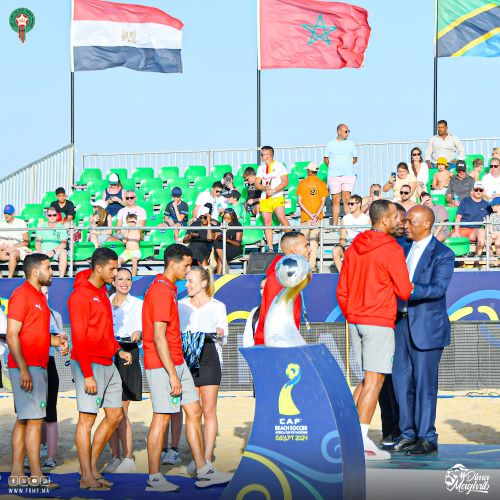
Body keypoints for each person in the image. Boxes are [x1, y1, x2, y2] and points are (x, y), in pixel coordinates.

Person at [142, 244, 231, 492]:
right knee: (161, 418)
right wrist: (172, 373)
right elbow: (159, 336)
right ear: (173, 264)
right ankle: (154, 477)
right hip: (163, 364)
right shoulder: (161, 291)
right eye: (186, 264)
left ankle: (204, 469)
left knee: (194, 410)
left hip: (177, 361)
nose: (188, 269)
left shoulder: (168, 289)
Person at [336, 200, 412, 460]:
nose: (399, 221)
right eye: (395, 216)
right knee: (375, 381)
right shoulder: (391, 248)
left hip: (355, 319)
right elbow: (404, 290)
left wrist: (352, 313)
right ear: (384, 220)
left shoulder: (355, 246)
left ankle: (351, 435)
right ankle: (359, 442)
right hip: (378, 320)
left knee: (366, 381)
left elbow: (342, 289)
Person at [386, 206, 455, 455]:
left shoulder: (443, 254)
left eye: (410, 222)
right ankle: (407, 434)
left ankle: (427, 437)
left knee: (425, 385)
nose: (405, 225)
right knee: (401, 383)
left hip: (426, 328)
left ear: (426, 224)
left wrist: (408, 289)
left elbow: (437, 288)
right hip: (399, 325)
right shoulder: (401, 248)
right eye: (404, 221)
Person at [69, 248, 132, 491]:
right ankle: (86, 475)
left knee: (115, 415)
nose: (116, 273)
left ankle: (91, 468)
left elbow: (104, 331)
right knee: (87, 419)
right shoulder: (80, 296)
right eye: (112, 269)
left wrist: (118, 350)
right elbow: (80, 337)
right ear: (98, 268)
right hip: (89, 364)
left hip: (108, 360)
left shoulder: (102, 292)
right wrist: (87, 374)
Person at [6, 253, 68, 489]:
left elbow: (36, 335)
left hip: (37, 365)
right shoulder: (21, 295)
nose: (52, 271)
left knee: (25, 420)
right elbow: (12, 335)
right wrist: (23, 370)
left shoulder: (39, 298)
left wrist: (58, 342)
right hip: (28, 366)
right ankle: (36, 476)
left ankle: (17, 473)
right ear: (35, 272)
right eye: (48, 267)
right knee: (34, 421)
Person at [179, 267, 228, 468]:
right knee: (192, 411)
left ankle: (206, 458)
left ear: (204, 283)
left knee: (209, 411)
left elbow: (224, 338)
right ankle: (197, 458)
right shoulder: (180, 305)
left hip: (209, 359)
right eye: (186, 280)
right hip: (187, 362)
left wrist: (220, 332)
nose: (186, 285)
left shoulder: (217, 306)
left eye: (190, 281)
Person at [106, 268, 143, 473]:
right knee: (111, 409)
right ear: (113, 281)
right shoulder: (105, 303)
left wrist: (138, 332)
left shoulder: (138, 304)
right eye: (120, 279)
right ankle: (114, 456)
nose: (124, 282)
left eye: (128, 279)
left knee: (122, 409)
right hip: (108, 354)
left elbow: (141, 329)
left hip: (128, 352)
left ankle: (127, 457)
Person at [254, 232, 311, 346]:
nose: (310, 249)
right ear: (293, 249)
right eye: (306, 245)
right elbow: (273, 320)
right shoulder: (279, 278)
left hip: (282, 343)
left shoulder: (287, 276)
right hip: (277, 346)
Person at [40, 285, 68, 471]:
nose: (44, 295)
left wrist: (63, 343)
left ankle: (50, 457)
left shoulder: (54, 315)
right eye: (41, 291)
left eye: (46, 292)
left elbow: (61, 340)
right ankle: (31, 454)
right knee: (30, 416)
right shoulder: (24, 310)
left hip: (48, 363)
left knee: (50, 412)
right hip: (30, 363)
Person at [255, 146, 290, 250]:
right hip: (265, 197)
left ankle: (293, 239)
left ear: (269, 155)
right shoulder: (261, 168)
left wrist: (274, 190)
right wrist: (265, 188)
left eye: (262, 154)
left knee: (281, 217)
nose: (261, 156)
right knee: (267, 222)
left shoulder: (279, 166)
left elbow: (285, 182)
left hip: (277, 196)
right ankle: (270, 248)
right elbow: (257, 184)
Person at [323, 124, 358, 226]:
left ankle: (348, 223)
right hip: (334, 175)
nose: (348, 133)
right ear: (339, 131)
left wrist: (346, 165)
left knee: (347, 198)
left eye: (348, 131)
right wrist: (334, 166)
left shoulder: (351, 144)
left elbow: (355, 158)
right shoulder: (330, 144)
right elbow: (326, 158)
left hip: (348, 175)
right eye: (346, 131)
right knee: (335, 200)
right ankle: (335, 224)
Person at [296, 162, 329, 271]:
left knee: (302, 244)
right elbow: (323, 202)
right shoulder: (322, 184)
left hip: (306, 218)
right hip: (317, 218)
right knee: (314, 244)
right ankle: (311, 267)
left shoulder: (302, 183)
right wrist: (315, 215)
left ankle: (303, 267)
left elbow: (300, 202)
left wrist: (310, 215)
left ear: (309, 171)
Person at [452, 182, 491, 259]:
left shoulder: (487, 205)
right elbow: (458, 217)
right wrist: (456, 232)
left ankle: (477, 259)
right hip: (461, 229)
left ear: (483, 192)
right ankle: (457, 262)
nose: (478, 192)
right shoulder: (465, 201)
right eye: (476, 190)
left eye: (480, 190)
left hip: (474, 232)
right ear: (472, 191)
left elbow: (490, 220)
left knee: (482, 232)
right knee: (453, 237)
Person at [332, 195, 370, 273]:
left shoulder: (367, 219)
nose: (349, 206)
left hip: (361, 247)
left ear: (359, 204)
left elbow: (367, 239)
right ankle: (343, 275)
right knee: (335, 251)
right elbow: (342, 239)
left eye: (352, 204)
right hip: (348, 247)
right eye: (348, 203)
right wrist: (346, 246)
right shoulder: (345, 218)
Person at [35, 208, 68, 278]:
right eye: (50, 215)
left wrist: (53, 251)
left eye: (54, 215)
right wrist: (40, 252)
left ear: (57, 216)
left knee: (63, 253)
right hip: (43, 250)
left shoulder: (62, 227)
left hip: (57, 250)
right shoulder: (41, 226)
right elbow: (38, 242)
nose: (52, 217)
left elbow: (64, 244)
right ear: (47, 216)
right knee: (32, 256)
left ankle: (61, 278)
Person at [0, 205, 30, 278]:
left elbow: (26, 241)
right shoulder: (1, 224)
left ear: (13, 214)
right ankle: (1, 279)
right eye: (5, 213)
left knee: (13, 254)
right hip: (5, 250)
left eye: (9, 213)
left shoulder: (20, 222)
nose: (6, 215)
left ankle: (9, 278)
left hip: (18, 249)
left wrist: (13, 248)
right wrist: (2, 247)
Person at [213, 208, 243, 274]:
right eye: (224, 218)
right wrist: (218, 232)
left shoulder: (237, 225)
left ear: (232, 217)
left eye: (228, 218)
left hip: (234, 247)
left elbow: (238, 244)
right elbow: (214, 239)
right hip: (221, 248)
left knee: (220, 254)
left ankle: (219, 274)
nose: (226, 220)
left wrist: (227, 239)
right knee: (218, 244)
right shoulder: (220, 224)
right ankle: (224, 267)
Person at [242, 277, 266, 348]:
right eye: (261, 288)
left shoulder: (283, 311)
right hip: (258, 356)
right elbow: (247, 342)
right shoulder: (254, 312)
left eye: (267, 287)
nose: (263, 291)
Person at [488, 197, 500, 264]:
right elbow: (490, 225)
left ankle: (498, 261)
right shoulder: (492, 215)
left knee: (498, 243)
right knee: (486, 242)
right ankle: (491, 260)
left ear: (498, 206)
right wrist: (491, 232)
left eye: (493, 205)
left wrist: (497, 234)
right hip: (493, 233)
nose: (491, 207)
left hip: (499, 234)